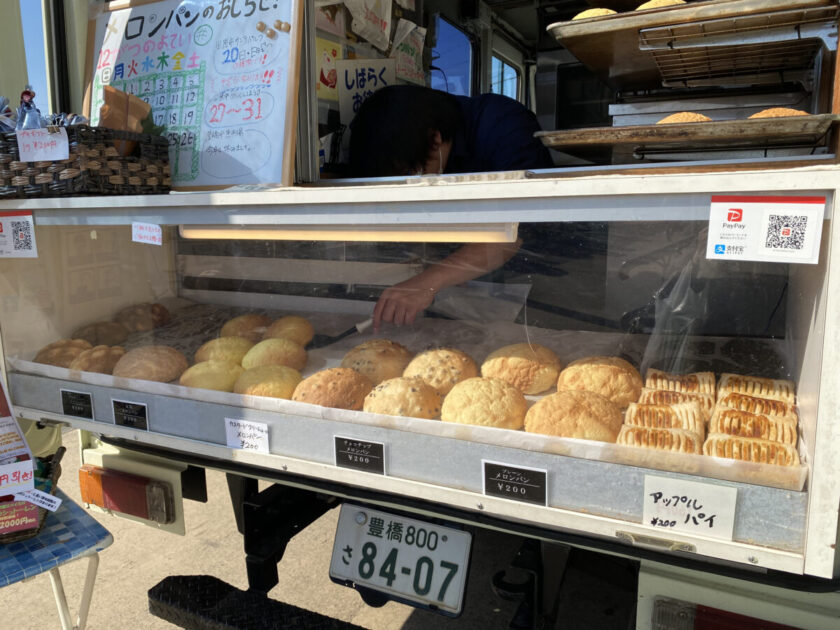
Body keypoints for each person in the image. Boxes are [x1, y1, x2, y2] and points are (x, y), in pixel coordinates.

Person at [348, 85, 553, 331]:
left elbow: (517, 227)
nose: (410, 183)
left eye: (409, 173)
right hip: (465, 287)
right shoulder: (423, 150)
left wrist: (429, 281)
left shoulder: (502, 125)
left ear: (435, 140)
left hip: (539, 281)